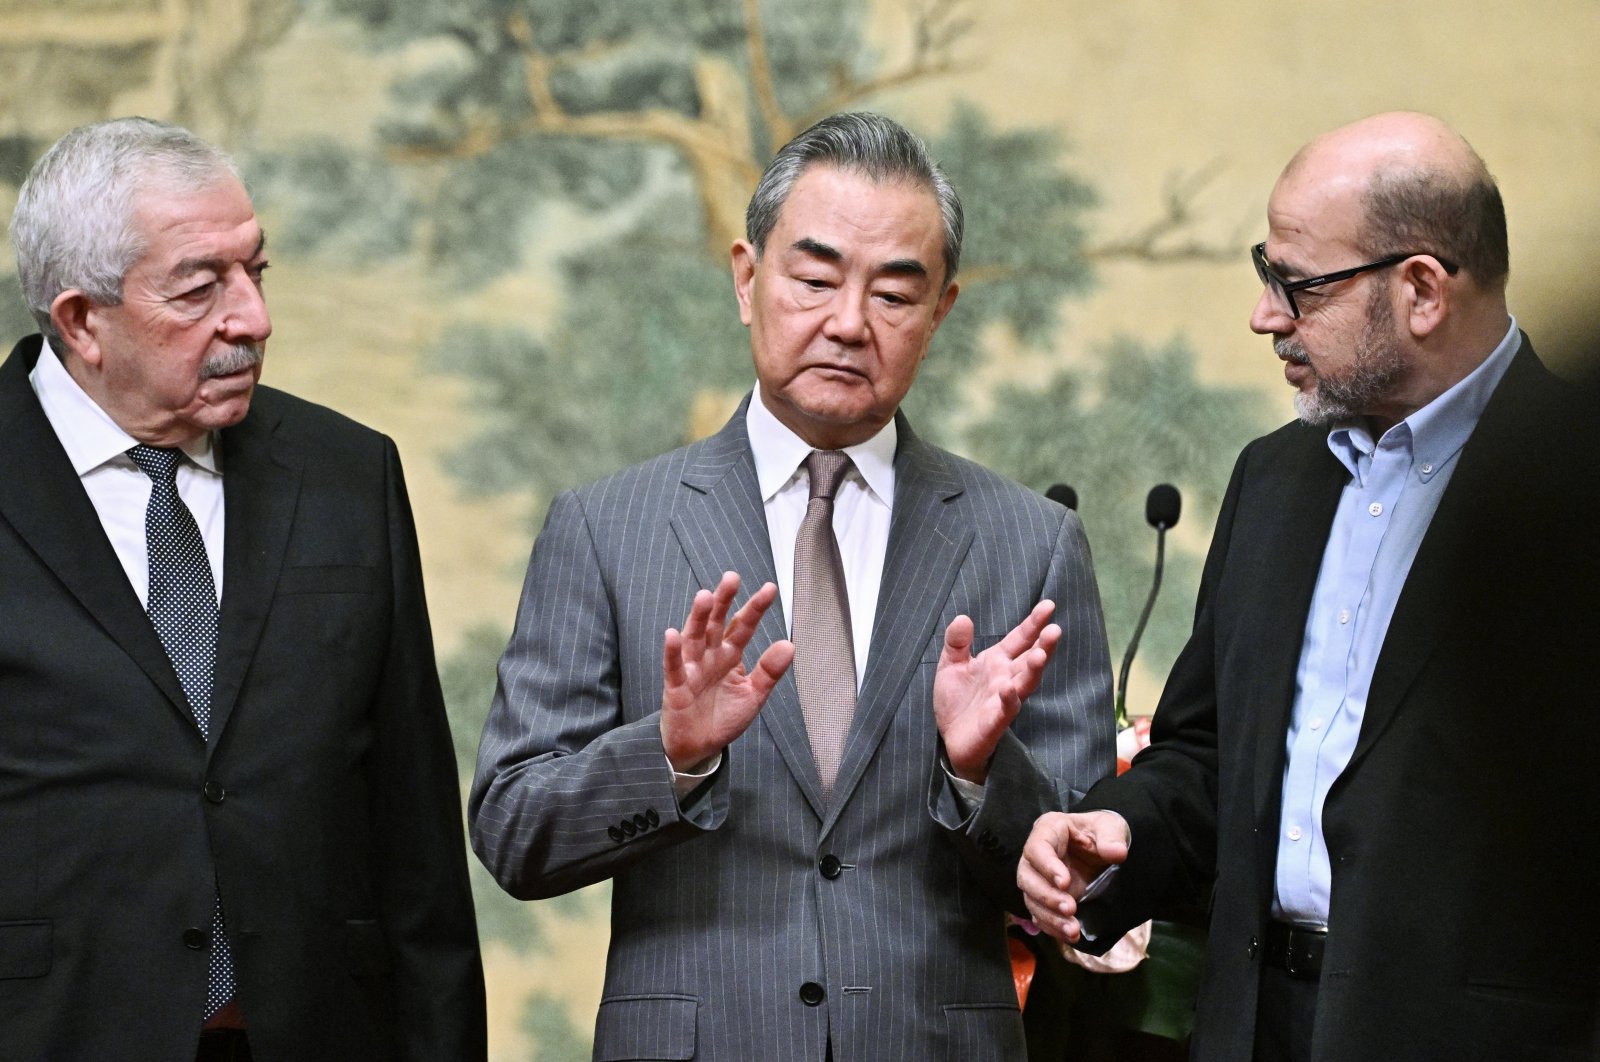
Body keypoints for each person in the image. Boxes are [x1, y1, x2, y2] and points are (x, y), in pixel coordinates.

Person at [470, 112, 1113, 1061]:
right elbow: (515, 829)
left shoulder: (1030, 542)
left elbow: (1088, 882)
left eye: (895, 294)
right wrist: (671, 753)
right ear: (746, 277)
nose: (848, 322)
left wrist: (980, 775)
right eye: (814, 279)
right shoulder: (607, 529)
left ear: (940, 313)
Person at [1018, 111, 1600, 1062]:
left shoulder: (1570, 492)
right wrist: (1119, 829)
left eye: (1298, 285)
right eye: (1266, 273)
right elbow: (1205, 754)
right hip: (1255, 1023)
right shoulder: (1275, 479)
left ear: (1421, 290)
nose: (1265, 315)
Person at [0, 118, 486, 1061]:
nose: (252, 319)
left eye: (255, 272)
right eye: (200, 287)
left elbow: (416, 845)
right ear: (80, 321)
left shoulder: (350, 474)